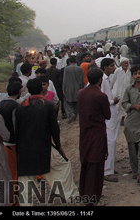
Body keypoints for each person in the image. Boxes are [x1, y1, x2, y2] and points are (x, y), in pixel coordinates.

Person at [15, 78, 78, 206]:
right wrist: (58, 146)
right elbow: (54, 129)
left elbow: (18, 130)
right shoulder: (48, 105)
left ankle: (25, 205)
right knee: (62, 167)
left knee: (26, 179)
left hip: (25, 149)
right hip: (44, 147)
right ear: (42, 88)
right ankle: (70, 196)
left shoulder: (21, 107)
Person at [77, 68, 111, 206]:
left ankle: (84, 192)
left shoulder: (80, 93)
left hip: (85, 132)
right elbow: (107, 115)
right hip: (97, 133)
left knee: (86, 163)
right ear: (100, 80)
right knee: (96, 165)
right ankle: (93, 197)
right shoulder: (100, 96)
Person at [0, 81, 22, 206]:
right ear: (19, 91)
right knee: (14, 174)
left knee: (7, 173)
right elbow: (16, 126)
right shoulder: (16, 107)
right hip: (13, 143)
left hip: (3, 143)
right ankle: (13, 201)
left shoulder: (1, 104)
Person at [100, 57, 120, 182]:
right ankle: (107, 171)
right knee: (110, 140)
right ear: (105, 67)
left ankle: (109, 167)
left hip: (111, 112)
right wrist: (114, 101)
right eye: (112, 66)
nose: (114, 68)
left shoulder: (107, 79)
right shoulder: (102, 80)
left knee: (111, 140)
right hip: (108, 112)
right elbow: (103, 99)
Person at [61, 55, 84, 123]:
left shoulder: (66, 69)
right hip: (78, 87)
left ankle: (70, 114)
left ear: (69, 62)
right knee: (76, 102)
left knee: (67, 102)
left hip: (69, 87)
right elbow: (82, 80)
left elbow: (64, 79)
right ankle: (75, 115)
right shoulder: (79, 68)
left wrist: (63, 88)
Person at [111, 57, 133, 126]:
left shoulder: (130, 71)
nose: (126, 64)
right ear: (121, 64)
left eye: (127, 63)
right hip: (118, 91)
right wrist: (110, 88)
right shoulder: (117, 71)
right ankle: (115, 119)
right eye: (124, 63)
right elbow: (113, 80)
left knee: (125, 105)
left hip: (126, 91)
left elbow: (131, 81)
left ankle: (123, 119)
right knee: (117, 105)